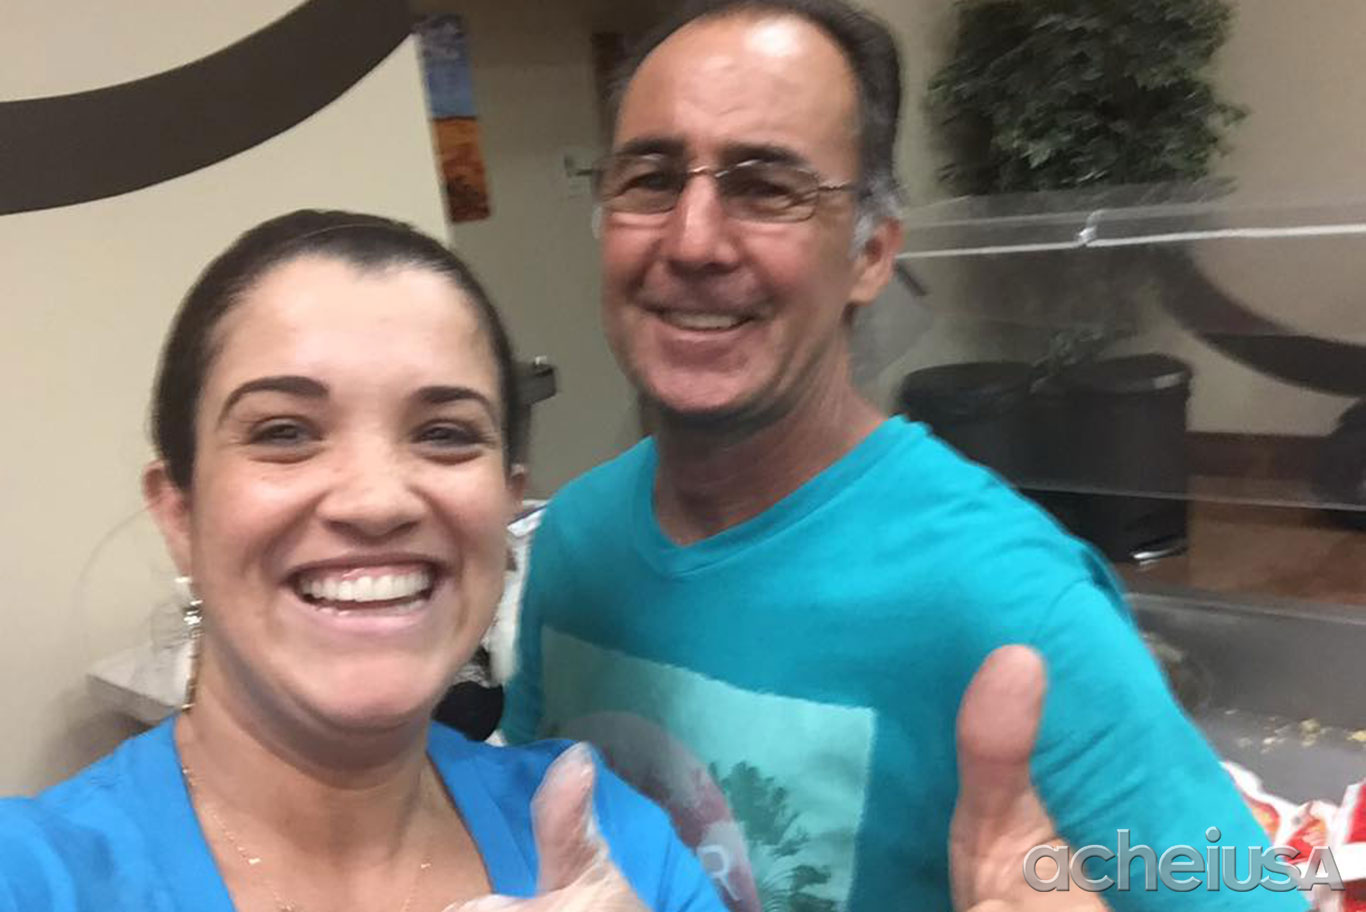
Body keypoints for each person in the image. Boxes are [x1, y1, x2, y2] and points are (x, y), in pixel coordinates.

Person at [501, 2, 1303, 911]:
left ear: (872, 254)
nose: (692, 241)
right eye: (650, 180)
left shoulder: (1009, 604)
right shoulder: (575, 542)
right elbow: (521, 829)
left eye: (767, 188)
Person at [0, 210, 724, 912]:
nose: (377, 502)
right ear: (179, 512)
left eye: (444, 434)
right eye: (285, 432)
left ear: (506, 508)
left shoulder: (608, 841)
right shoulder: (31, 876)